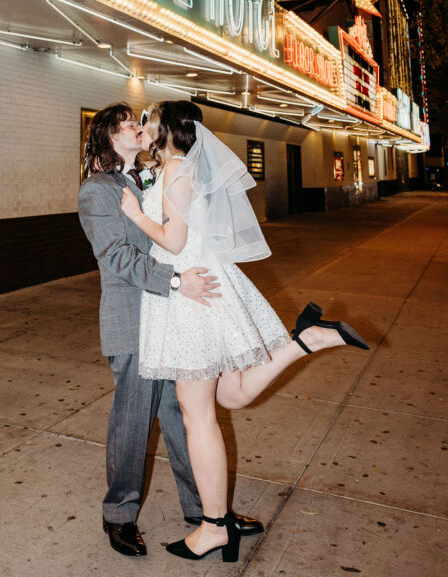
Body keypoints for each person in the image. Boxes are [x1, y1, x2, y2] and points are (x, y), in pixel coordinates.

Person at [121, 101, 369, 563]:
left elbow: (173, 241)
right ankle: (307, 340)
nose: (143, 126)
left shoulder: (176, 169)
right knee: (232, 396)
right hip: (205, 286)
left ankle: (214, 527)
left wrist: (137, 214)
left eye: (148, 120)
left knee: (197, 416)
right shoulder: (179, 166)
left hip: (190, 298)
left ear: (167, 130)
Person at [78, 102, 264, 558]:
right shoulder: (97, 190)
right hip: (134, 318)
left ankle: (208, 513)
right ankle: (119, 514)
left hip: (171, 319)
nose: (136, 127)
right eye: (125, 123)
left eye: (139, 122)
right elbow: (118, 258)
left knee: (185, 418)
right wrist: (178, 282)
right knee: (133, 421)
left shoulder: (154, 174)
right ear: (106, 136)